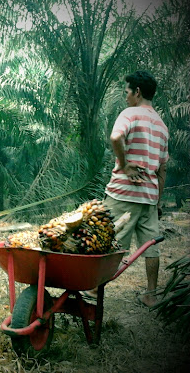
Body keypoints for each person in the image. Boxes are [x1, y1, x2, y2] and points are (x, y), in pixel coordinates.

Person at [86, 71, 169, 307]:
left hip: (123, 193)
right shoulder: (162, 126)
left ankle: (93, 289)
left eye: (127, 92)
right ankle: (151, 294)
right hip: (149, 198)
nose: (125, 97)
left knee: (109, 240)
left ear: (137, 92)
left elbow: (115, 138)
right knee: (150, 245)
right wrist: (157, 201)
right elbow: (162, 170)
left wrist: (124, 164)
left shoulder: (130, 114)